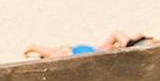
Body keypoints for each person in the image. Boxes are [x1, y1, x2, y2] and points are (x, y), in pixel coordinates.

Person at [23, 32, 151, 59]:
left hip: (85, 51)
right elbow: (116, 34)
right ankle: (33, 48)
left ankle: (34, 48)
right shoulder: (113, 50)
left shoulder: (109, 49)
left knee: (59, 52)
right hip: (83, 52)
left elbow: (116, 34)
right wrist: (128, 43)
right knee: (58, 53)